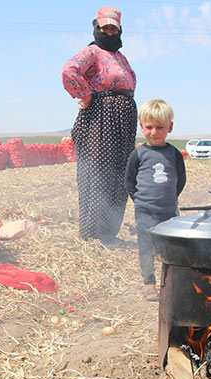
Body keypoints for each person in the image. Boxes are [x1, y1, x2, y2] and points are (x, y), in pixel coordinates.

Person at [62, 6, 137, 244]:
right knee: (99, 173)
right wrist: (85, 95)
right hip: (100, 119)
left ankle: (109, 231)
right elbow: (69, 71)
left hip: (122, 121)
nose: (109, 31)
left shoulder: (120, 57)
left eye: (113, 27)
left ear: (119, 30)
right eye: (105, 27)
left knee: (120, 174)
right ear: (96, 27)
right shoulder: (92, 52)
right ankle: (94, 233)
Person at [124, 100, 186, 301]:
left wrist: (170, 198)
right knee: (146, 246)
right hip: (145, 210)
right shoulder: (139, 153)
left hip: (168, 210)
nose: (154, 132)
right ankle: (149, 283)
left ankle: (168, 282)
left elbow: (180, 179)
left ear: (170, 127)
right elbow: (129, 180)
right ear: (141, 127)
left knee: (170, 246)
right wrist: (140, 200)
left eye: (160, 127)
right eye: (149, 127)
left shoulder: (174, 154)